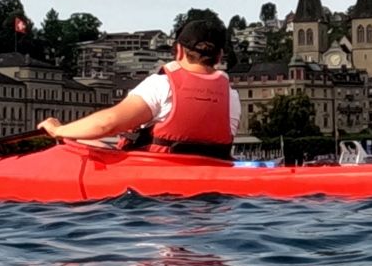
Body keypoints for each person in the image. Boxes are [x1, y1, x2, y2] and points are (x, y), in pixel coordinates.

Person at [38, 11, 240, 162]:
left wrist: (59, 130)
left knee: (75, 144)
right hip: (212, 174)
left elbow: (106, 124)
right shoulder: (231, 96)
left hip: (155, 181)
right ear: (219, 56)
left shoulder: (162, 85)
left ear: (178, 51)